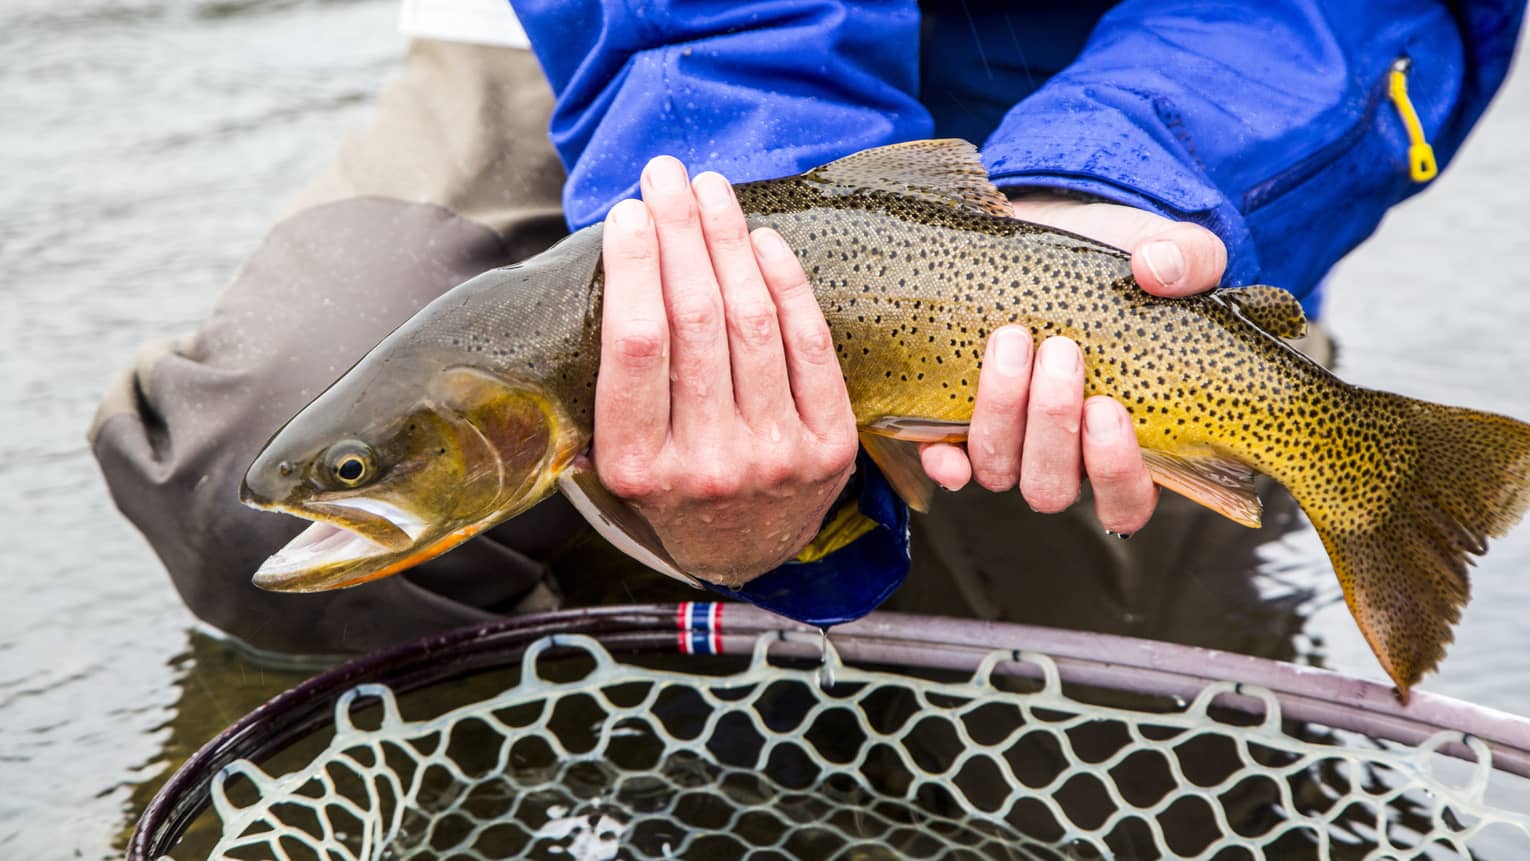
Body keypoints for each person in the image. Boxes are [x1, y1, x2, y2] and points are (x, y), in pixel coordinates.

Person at [90, 0, 1525, 660]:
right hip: (613, 53)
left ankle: (1369, 469)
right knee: (242, 481)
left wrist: (1115, 184)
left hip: (1125, 86)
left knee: (1094, 715)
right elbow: (705, 42)